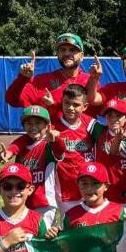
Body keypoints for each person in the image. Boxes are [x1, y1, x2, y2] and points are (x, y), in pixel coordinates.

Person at [0, 105, 65, 228]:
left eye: (38, 123)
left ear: (47, 125)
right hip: (23, 201)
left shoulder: (48, 145)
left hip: (43, 203)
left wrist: (57, 139)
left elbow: (60, 151)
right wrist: (7, 153)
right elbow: (19, 143)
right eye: (28, 123)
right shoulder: (23, 146)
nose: (33, 127)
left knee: (44, 237)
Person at [5, 33, 93, 113]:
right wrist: (22, 78)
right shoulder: (40, 81)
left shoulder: (90, 81)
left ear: (81, 56)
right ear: (57, 54)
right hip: (48, 130)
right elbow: (12, 100)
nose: (67, 53)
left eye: (72, 50)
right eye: (62, 50)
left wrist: (54, 105)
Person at [53, 84, 98, 215]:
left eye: (76, 104)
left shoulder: (91, 125)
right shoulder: (54, 127)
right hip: (66, 190)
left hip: (90, 188)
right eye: (67, 103)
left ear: (85, 107)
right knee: (70, 227)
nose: (70, 108)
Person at [48, 162, 126, 234]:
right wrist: (54, 235)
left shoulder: (119, 211)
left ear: (106, 186)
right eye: (85, 184)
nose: (89, 188)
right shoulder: (70, 215)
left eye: (95, 183)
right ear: (78, 185)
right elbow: (66, 245)